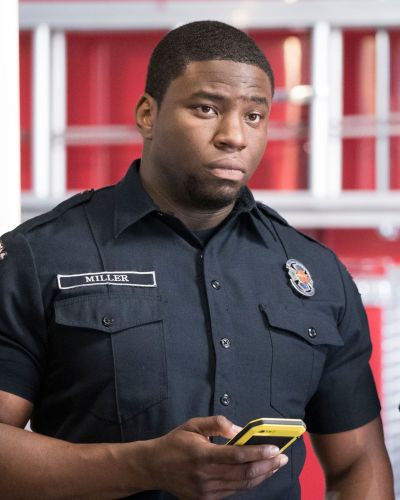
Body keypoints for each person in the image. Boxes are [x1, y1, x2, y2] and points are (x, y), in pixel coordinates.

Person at [0, 20, 394, 500]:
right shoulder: (39, 256)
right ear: (148, 114)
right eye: (207, 108)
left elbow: (359, 461)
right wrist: (144, 466)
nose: (234, 136)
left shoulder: (317, 273)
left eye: (254, 115)